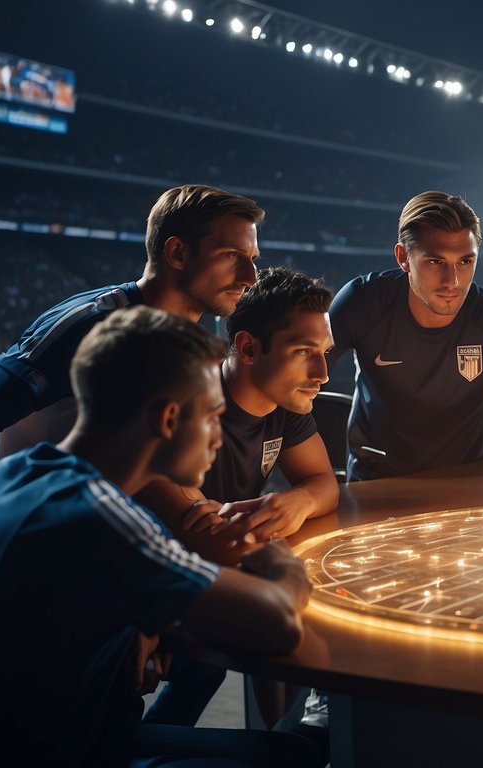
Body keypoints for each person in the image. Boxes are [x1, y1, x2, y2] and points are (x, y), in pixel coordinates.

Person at [0, 306, 318, 767]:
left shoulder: (19, 471)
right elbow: (277, 625)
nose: (217, 438)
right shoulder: (106, 518)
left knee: (289, 750)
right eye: (212, 416)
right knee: (294, 757)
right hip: (65, 753)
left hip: (20, 739)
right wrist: (281, 559)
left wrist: (136, 622)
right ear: (168, 419)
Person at [0, 184, 264, 500]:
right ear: (177, 252)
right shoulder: (92, 323)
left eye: (252, 258)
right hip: (40, 524)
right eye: (232, 255)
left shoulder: (191, 342)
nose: (250, 277)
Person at [135, 267, 340, 727]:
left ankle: (273, 738)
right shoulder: (193, 399)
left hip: (202, 578)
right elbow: (210, 540)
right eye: (305, 353)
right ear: (247, 348)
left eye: (325, 353)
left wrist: (297, 502)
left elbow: (324, 482)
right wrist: (275, 550)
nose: (323, 373)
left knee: (212, 670)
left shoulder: (285, 401)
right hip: (170, 586)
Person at [327, 191, 483, 480]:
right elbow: (294, 391)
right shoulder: (361, 303)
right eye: (435, 262)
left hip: (468, 491)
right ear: (403, 257)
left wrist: (481, 474)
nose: (452, 281)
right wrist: (313, 483)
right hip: (375, 488)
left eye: (465, 262)